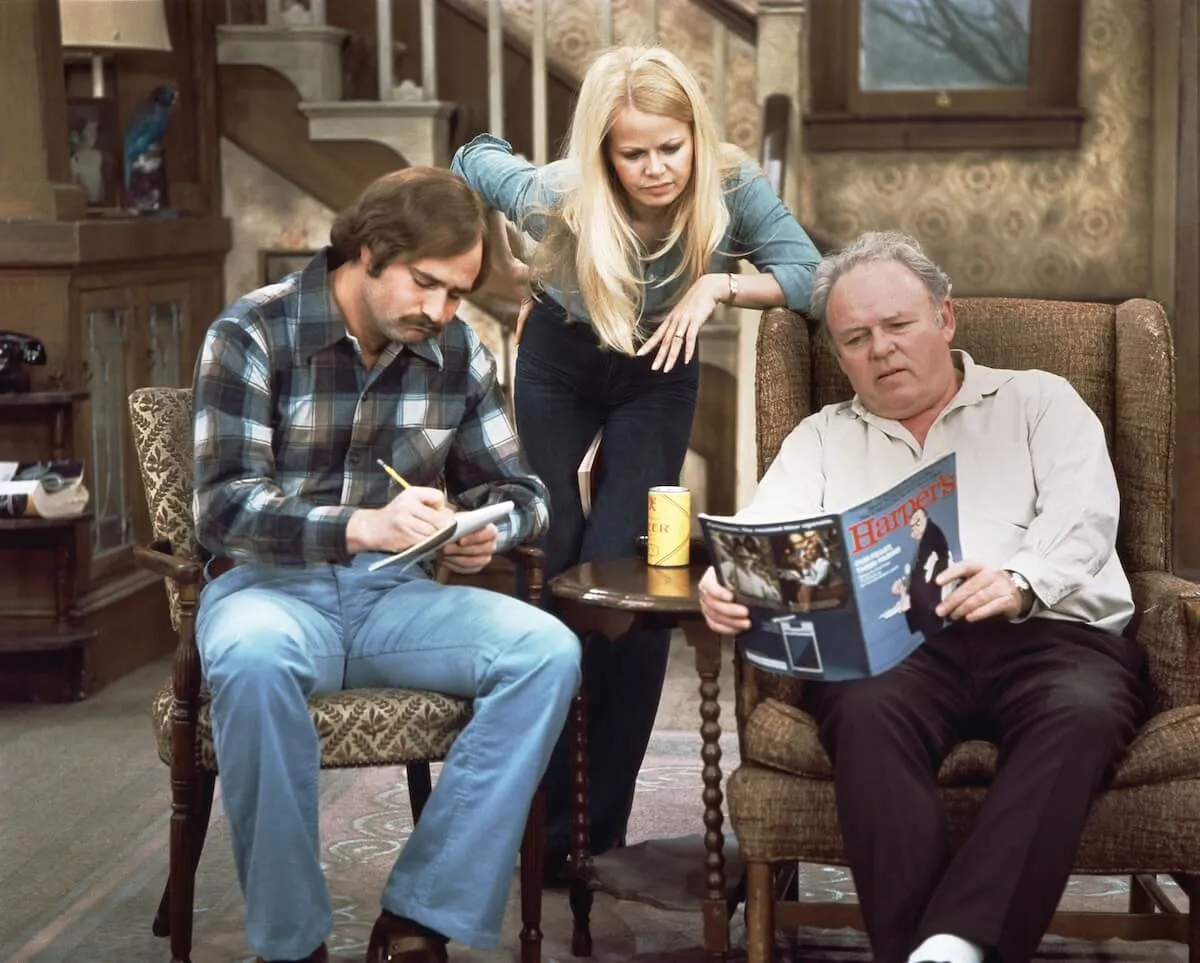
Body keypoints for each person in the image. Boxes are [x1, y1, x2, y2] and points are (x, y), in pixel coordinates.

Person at [698, 231, 1144, 963]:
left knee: (1082, 714)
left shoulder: (1037, 400)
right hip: (895, 649)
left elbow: (1085, 515)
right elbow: (764, 530)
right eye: (856, 337)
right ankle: (940, 950)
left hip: (1053, 638)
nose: (881, 349)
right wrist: (727, 576)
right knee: (862, 711)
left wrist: (1021, 579)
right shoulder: (820, 438)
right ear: (839, 354)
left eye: (898, 325)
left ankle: (951, 945)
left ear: (945, 318)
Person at [192, 166, 581, 963]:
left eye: (456, 295)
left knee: (547, 650)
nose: (439, 312)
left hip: (393, 599)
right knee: (253, 658)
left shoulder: (455, 347)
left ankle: (419, 915)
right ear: (367, 252)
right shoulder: (251, 332)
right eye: (426, 285)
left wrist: (488, 528)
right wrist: (362, 524)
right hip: (267, 592)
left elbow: (526, 492)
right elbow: (223, 509)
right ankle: (292, 943)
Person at [450, 44, 820, 871]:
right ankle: (535, 828)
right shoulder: (557, 193)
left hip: (658, 371)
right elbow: (470, 155)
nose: (656, 168)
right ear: (606, 155)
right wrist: (501, 263)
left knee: (629, 573)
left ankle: (596, 829)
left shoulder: (730, 189)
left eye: (670, 147)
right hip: (558, 357)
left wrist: (717, 286)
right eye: (633, 152)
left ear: (694, 135)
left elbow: (811, 273)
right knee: (552, 559)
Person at [900, 506, 951, 638]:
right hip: (926, 613)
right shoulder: (923, 547)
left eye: (918, 522)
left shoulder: (932, 536)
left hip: (932, 609)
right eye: (913, 525)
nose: (915, 528)